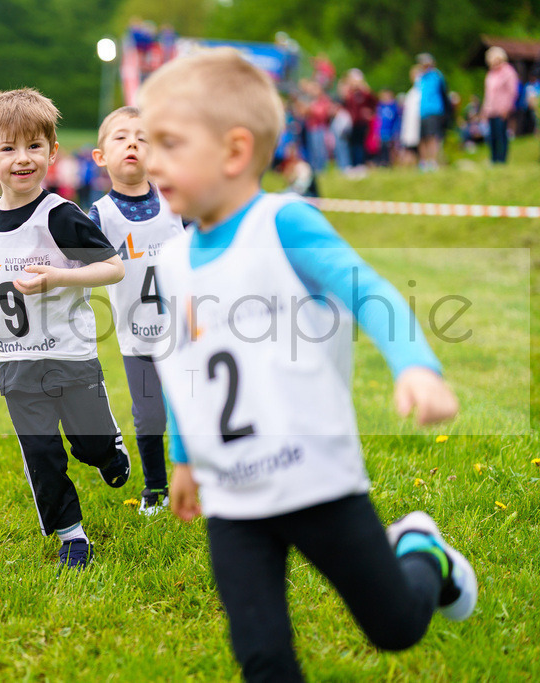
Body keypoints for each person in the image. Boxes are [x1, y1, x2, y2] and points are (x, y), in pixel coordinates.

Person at [138, 49, 477, 682]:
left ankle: (423, 549)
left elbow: (368, 290)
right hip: (234, 496)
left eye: (169, 143)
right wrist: (183, 458)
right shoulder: (173, 259)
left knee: (395, 626)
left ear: (234, 152)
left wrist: (416, 365)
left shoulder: (282, 222)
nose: (151, 160)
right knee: (261, 656)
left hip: (316, 478)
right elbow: (184, 366)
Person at [0, 88, 129, 569]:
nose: (23, 159)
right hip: (15, 359)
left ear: (52, 152)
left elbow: (112, 268)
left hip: (70, 353)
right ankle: (71, 534)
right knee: (41, 451)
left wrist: (59, 277)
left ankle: (108, 448)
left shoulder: (59, 216)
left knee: (88, 444)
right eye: (8, 148)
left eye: (34, 147)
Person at [88, 106, 184, 514]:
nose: (132, 144)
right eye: (121, 137)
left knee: (195, 408)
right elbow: (77, 263)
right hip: (138, 339)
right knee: (148, 417)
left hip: (188, 331)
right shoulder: (98, 216)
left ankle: (207, 478)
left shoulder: (178, 201)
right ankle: (157, 489)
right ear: (100, 157)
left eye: (142, 138)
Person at [482, 46, 520, 165]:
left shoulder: (508, 72)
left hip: (502, 109)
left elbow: (512, 91)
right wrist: (484, 110)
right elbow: (487, 94)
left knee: (501, 135)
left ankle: (502, 160)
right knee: (491, 136)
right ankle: (493, 160)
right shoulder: (491, 74)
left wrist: (507, 108)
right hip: (491, 110)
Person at [416, 53, 448, 171]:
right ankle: (424, 162)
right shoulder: (421, 78)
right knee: (422, 138)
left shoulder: (436, 75)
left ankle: (433, 161)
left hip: (434, 110)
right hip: (422, 111)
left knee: (432, 136)